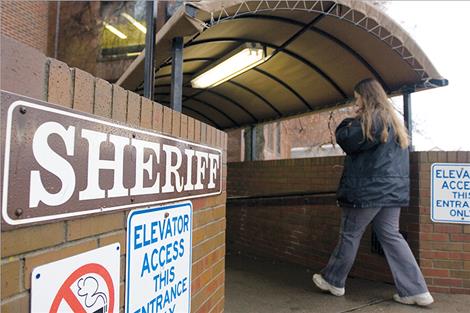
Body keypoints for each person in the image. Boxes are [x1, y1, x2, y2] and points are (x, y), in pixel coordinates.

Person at [312, 78, 433, 306]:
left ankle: (333, 280)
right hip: (391, 193)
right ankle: (416, 290)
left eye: (358, 96)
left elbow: (347, 139)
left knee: (350, 233)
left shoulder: (372, 119)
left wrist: (348, 120)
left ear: (366, 96)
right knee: (391, 236)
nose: (356, 100)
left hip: (368, 192)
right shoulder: (395, 122)